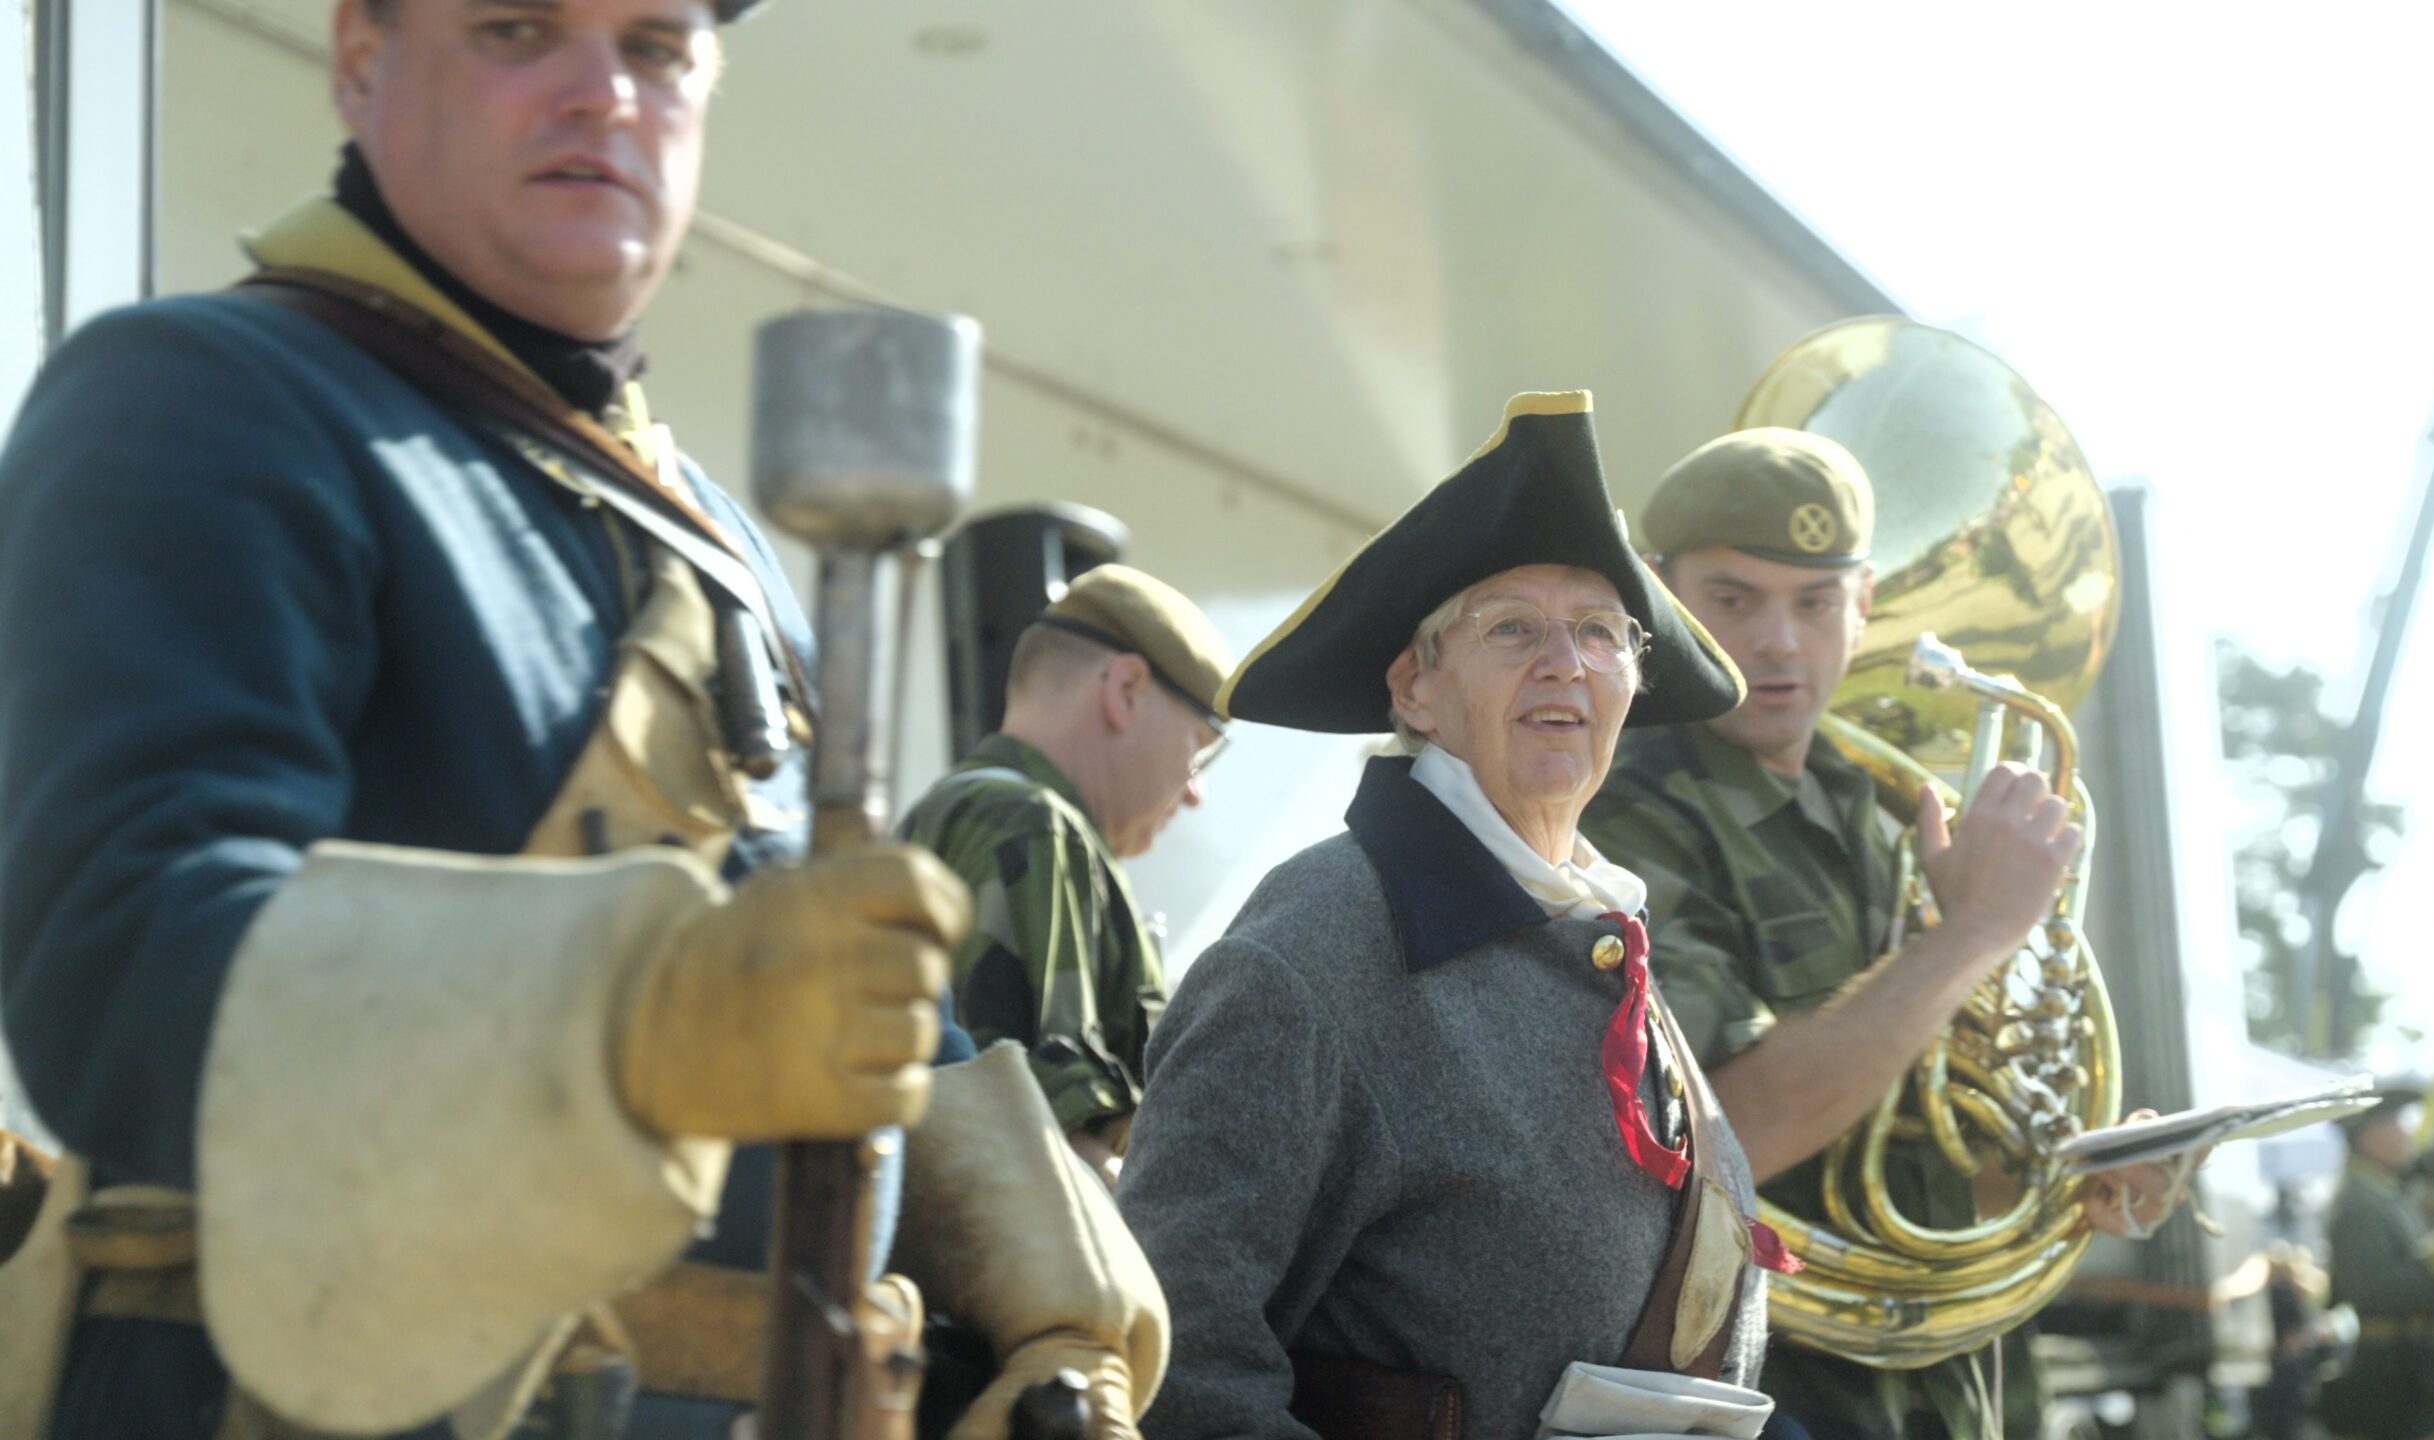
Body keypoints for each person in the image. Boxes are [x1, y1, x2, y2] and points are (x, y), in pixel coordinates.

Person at [0, 0, 1161, 1435]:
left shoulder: (714, 537)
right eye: (518, 28)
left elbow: (829, 996)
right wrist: (646, 1015)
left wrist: (1048, 1287)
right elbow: (116, 960)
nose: (603, 92)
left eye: (656, 47)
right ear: (361, 59)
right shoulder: (203, 396)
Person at [1119, 391, 1792, 1440]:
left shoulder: (1591, 928)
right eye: (1511, 627)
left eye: (1600, 632)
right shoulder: (1312, 954)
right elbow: (1171, 1357)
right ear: (1415, 691)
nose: (1565, 662)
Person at [1583, 428, 2190, 1440]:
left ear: (1863, 601)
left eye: (1817, 602)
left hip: (1956, 1394)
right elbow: (1721, 1141)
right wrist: (1972, 934)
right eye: (1733, 598)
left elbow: (1931, 1154)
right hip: (1763, 1393)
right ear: (1659, 591)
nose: (1780, 641)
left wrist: (2063, 1177)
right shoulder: (1618, 815)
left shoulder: (1888, 814)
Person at [902, 564, 1231, 1179]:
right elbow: (1049, 1144)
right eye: (1199, 748)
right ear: (1125, 691)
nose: (1194, 794)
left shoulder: (955, 812)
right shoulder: (1032, 825)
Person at [2317, 1095, 2434, 1440]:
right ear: (2368, 1134)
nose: (2408, 1133)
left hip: (2415, 1367)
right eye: (2396, 1123)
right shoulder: (2359, 1202)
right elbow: (2376, 1292)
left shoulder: (2386, 1194)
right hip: (2393, 1375)